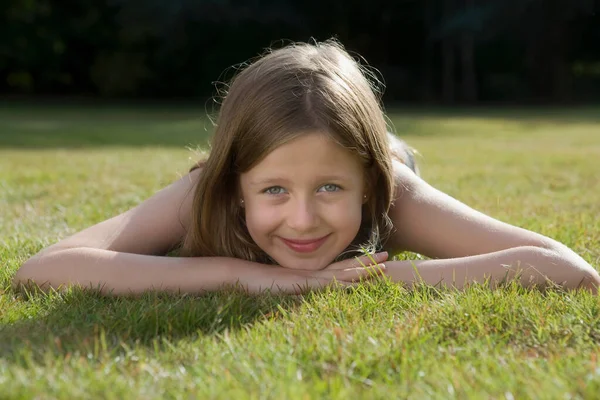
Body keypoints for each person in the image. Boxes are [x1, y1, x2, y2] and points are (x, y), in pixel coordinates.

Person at [13, 40, 600, 296]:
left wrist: (387, 278)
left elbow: (569, 270)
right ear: (235, 187)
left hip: (387, 154)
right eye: (272, 189)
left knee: (378, 152)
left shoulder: (391, 194)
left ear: (366, 188)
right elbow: (44, 270)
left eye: (329, 188)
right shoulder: (204, 193)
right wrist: (252, 277)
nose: (303, 220)